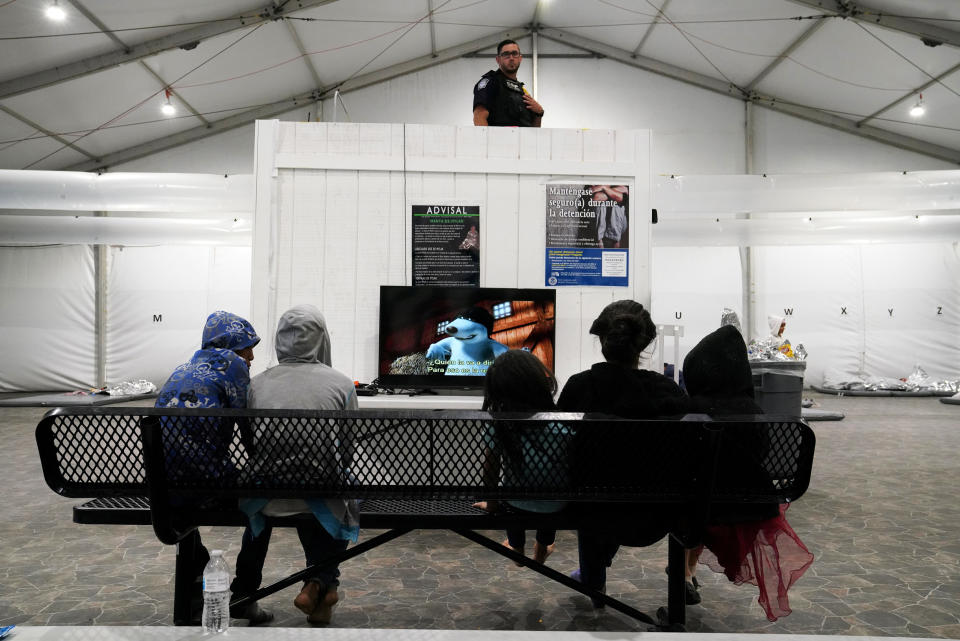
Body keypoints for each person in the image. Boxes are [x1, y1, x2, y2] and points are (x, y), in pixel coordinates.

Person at [556, 300, 688, 606]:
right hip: (658, 513)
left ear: (602, 341)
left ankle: (593, 579)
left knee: (594, 485)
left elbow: (561, 449)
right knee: (620, 481)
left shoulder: (579, 388)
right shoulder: (668, 393)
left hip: (591, 509)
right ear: (645, 344)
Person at [682, 325, 814, 621]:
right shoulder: (753, 410)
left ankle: (683, 571)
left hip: (699, 501)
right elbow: (764, 453)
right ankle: (689, 571)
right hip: (750, 502)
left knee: (692, 501)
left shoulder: (691, 409)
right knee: (703, 501)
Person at [241, 304, 361, 624]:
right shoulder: (341, 384)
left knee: (270, 498)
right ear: (322, 340)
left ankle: (245, 592)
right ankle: (321, 582)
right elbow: (346, 454)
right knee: (341, 491)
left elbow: (251, 445)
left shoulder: (255, 384)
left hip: (265, 497)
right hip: (318, 495)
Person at [154, 310, 273, 625]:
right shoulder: (231, 365)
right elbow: (246, 425)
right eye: (247, 347)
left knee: (186, 514)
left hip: (164, 487)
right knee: (264, 501)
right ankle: (245, 595)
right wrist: (259, 465)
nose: (250, 356)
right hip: (205, 483)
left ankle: (199, 570)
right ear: (232, 344)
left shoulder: (186, 366)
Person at [473, 350, 570, 566]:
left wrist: (491, 504)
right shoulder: (562, 426)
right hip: (556, 505)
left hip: (515, 504)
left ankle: (516, 548)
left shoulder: (501, 426)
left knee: (513, 497)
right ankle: (543, 548)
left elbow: (490, 469)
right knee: (550, 500)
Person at [473, 39, 544, 127]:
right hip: (499, 139)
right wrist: (488, 140)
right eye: (506, 54)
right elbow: (479, 116)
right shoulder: (490, 82)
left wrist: (539, 113)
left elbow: (534, 131)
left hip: (524, 140)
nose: (511, 58)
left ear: (520, 58)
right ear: (498, 59)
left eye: (514, 54)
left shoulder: (522, 90)